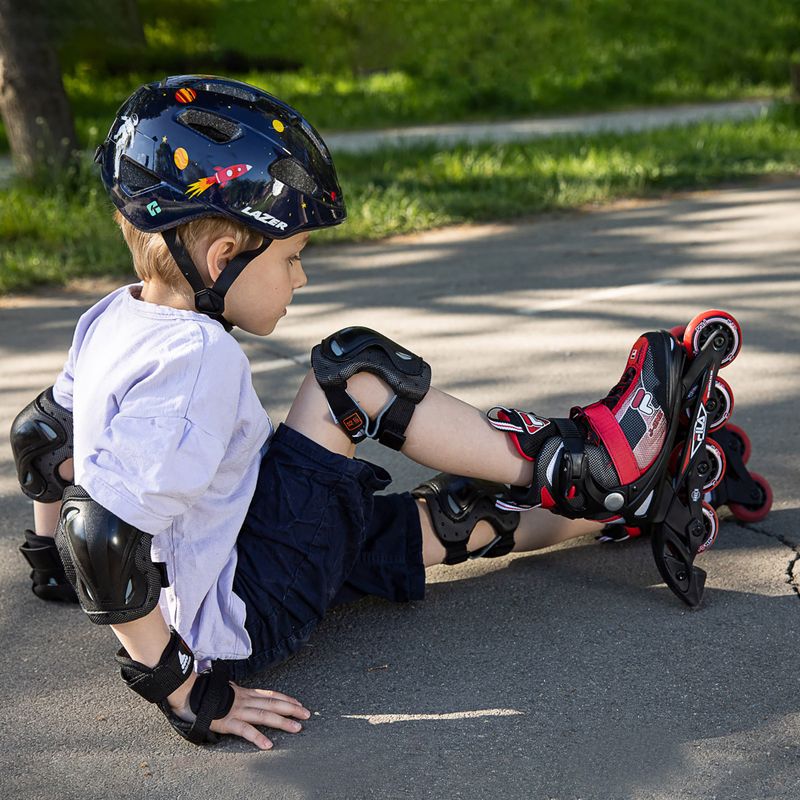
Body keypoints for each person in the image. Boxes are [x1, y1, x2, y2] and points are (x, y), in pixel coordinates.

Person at [9, 75, 729, 750]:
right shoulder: (195, 358)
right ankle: (583, 465)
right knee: (351, 377)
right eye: (292, 256)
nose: (301, 275)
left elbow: (42, 440)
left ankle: (625, 499)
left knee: (437, 526)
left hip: (229, 558)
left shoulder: (111, 319)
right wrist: (189, 693)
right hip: (248, 599)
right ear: (225, 253)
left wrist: (51, 570)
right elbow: (102, 538)